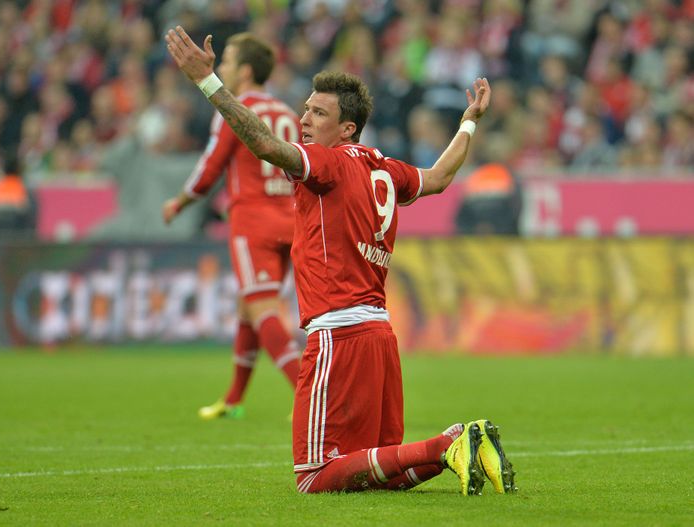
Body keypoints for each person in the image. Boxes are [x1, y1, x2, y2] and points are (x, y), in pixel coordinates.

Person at [165, 27, 516, 495]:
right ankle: (461, 446)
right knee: (376, 476)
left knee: (314, 478)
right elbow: (437, 178)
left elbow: (267, 147)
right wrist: (469, 122)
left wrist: (208, 83)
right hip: (379, 338)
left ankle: (450, 441)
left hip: (338, 335)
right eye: (306, 107)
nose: (304, 118)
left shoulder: (328, 165)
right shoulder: (385, 167)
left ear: (347, 128)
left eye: (318, 112)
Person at [162, 33, 302, 420]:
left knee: (261, 307)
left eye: (226, 63)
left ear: (243, 71)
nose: (219, 68)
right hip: (291, 221)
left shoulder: (233, 109)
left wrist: (181, 201)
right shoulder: (289, 113)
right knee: (249, 306)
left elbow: (211, 166)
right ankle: (235, 399)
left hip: (252, 221)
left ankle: (305, 391)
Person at [0, 151, 38, 239]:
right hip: (17, 246)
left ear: (3, 170)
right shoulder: (26, 192)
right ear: (20, 170)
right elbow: (31, 225)